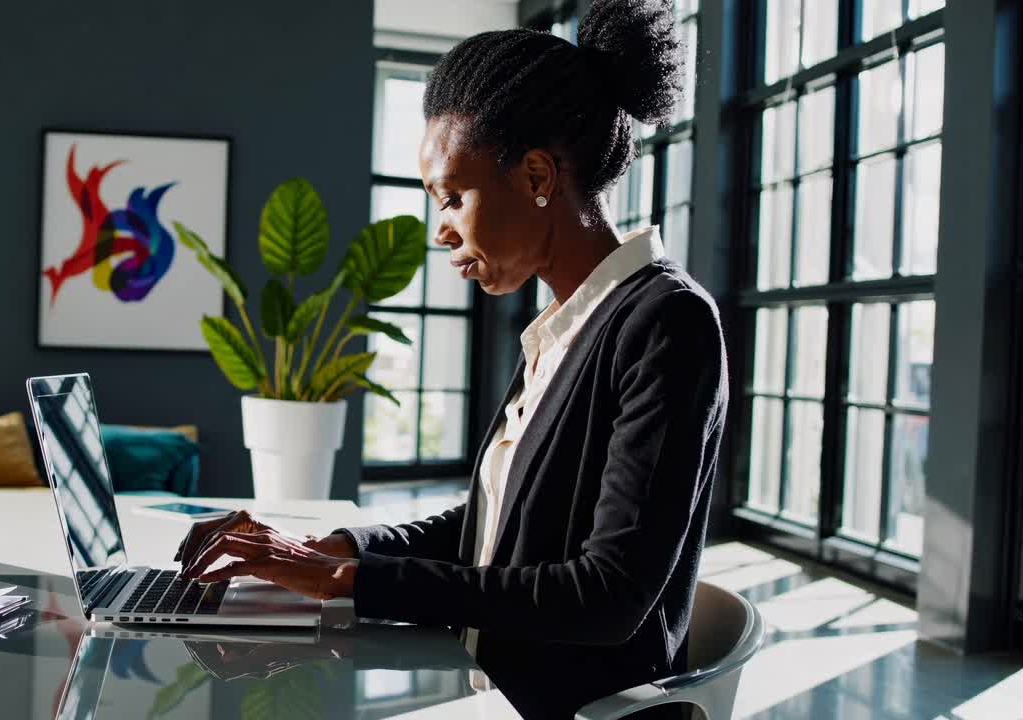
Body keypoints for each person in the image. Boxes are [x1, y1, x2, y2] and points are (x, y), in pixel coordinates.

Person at [175, 0, 727, 716]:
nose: (439, 231)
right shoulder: (570, 321)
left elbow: (606, 596)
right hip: (499, 691)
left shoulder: (665, 321)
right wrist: (333, 548)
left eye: (452, 196)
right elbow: (495, 526)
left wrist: (351, 581)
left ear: (535, 177)